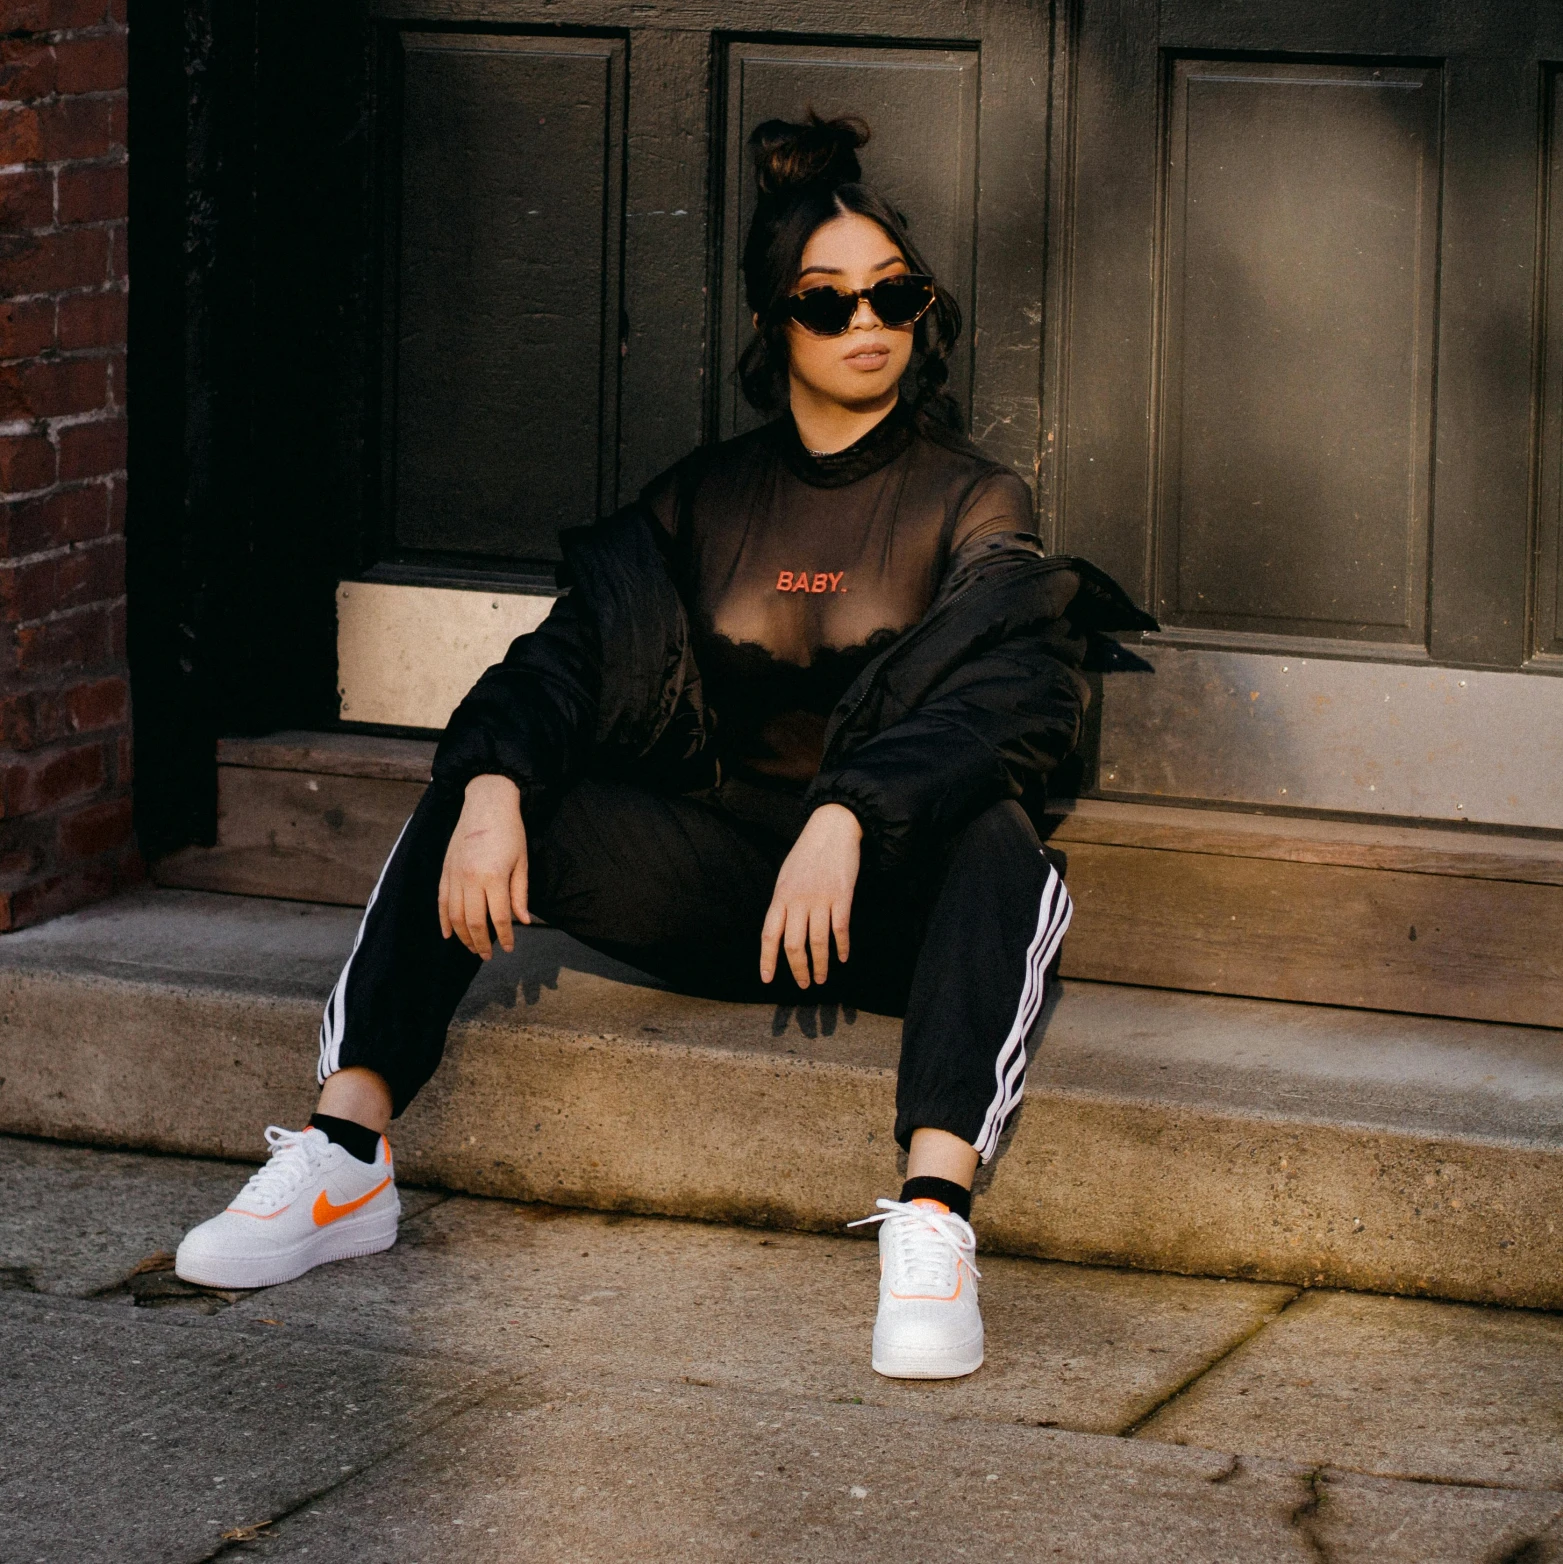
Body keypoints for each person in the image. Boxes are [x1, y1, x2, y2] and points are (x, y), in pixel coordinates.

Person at [177, 114, 1150, 1379]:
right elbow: (564, 660)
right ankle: (346, 1160)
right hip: (721, 888)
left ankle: (933, 1216)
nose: (869, 322)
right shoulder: (704, 497)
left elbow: (1011, 701)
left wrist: (849, 810)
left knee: (1000, 840)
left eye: (897, 295)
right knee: (484, 783)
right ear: (771, 325)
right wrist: (489, 785)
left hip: (888, 894)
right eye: (830, 301)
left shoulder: (974, 498)